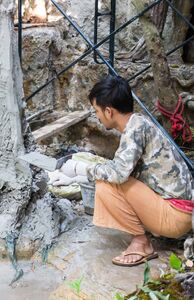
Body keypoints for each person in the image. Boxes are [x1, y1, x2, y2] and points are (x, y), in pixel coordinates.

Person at [59, 75, 194, 267]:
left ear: (109, 111)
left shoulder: (135, 128)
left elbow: (118, 173)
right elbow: (121, 169)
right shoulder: (140, 123)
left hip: (174, 216)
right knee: (108, 178)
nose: (97, 116)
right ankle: (144, 237)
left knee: (106, 184)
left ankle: (141, 243)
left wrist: (80, 168)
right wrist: (76, 176)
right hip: (180, 212)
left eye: (97, 111)